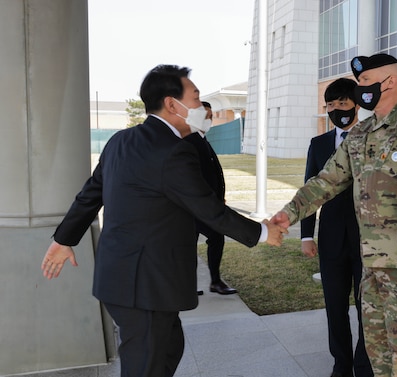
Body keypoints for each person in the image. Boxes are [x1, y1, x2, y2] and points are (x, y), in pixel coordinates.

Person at [40, 64, 286, 377]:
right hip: (145, 286)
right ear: (172, 104)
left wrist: (63, 240)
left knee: (169, 347)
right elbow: (209, 209)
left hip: (124, 280)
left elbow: (89, 195)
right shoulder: (173, 151)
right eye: (195, 98)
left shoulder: (120, 141)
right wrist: (264, 233)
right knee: (148, 363)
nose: (202, 108)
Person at [272, 53, 397, 376]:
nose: (359, 90)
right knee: (378, 354)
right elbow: (327, 181)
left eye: (362, 82)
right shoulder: (360, 136)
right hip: (371, 267)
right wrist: (288, 215)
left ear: (388, 82)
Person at [300, 78, 373, 377]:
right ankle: (341, 365)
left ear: (355, 104)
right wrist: (306, 235)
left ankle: (364, 366)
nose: (336, 110)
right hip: (331, 239)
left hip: (368, 239)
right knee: (335, 307)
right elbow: (310, 187)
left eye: (342, 103)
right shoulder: (318, 144)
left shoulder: (373, 138)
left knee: (367, 307)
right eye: (330, 105)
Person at [184, 101, 237, 295]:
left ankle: (199, 283)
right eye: (205, 116)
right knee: (214, 237)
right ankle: (210, 282)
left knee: (195, 242)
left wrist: (220, 197)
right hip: (198, 206)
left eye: (210, 116)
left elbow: (213, 173)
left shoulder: (202, 139)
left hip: (208, 204)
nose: (209, 119)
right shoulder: (190, 141)